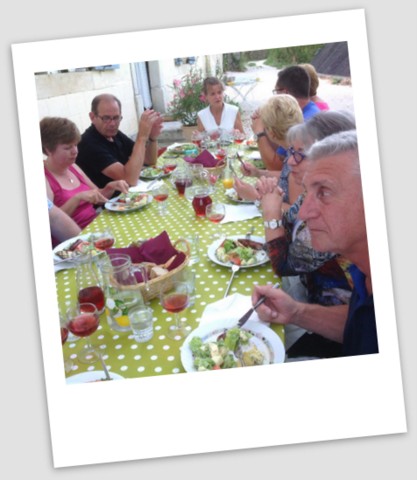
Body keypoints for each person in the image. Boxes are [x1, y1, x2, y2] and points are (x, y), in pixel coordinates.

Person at [252, 130, 378, 356]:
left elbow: (283, 265)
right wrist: (296, 313)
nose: (305, 211)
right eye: (308, 192)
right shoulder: (362, 274)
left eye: (324, 192)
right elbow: (361, 323)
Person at [41, 116, 129, 231]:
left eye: (75, 145)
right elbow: (50, 222)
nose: (75, 151)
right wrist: (77, 199)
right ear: (48, 150)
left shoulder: (73, 167)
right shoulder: (44, 178)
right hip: (75, 239)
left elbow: (97, 195)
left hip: (96, 226)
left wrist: (110, 187)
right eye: (67, 148)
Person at [76, 94, 163, 189]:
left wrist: (152, 138)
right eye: (106, 118)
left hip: (128, 196)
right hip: (108, 201)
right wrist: (141, 138)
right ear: (92, 117)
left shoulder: (114, 134)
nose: (112, 124)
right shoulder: (88, 143)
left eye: (116, 118)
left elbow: (149, 160)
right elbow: (129, 180)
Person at [234, 94, 303, 206]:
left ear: (271, 133)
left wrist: (257, 197)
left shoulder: (300, 159)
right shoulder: (295, 147)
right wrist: (259, 172)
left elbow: (296, 215)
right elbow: (286, 175)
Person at [251, 64, 320, 170]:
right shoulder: (308, 110)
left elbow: (278, 167)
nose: (274, 96)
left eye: (276, 92)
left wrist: (260, 133)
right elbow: (281, 148)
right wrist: (267, 126)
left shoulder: (304, 123)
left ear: (285, 93)